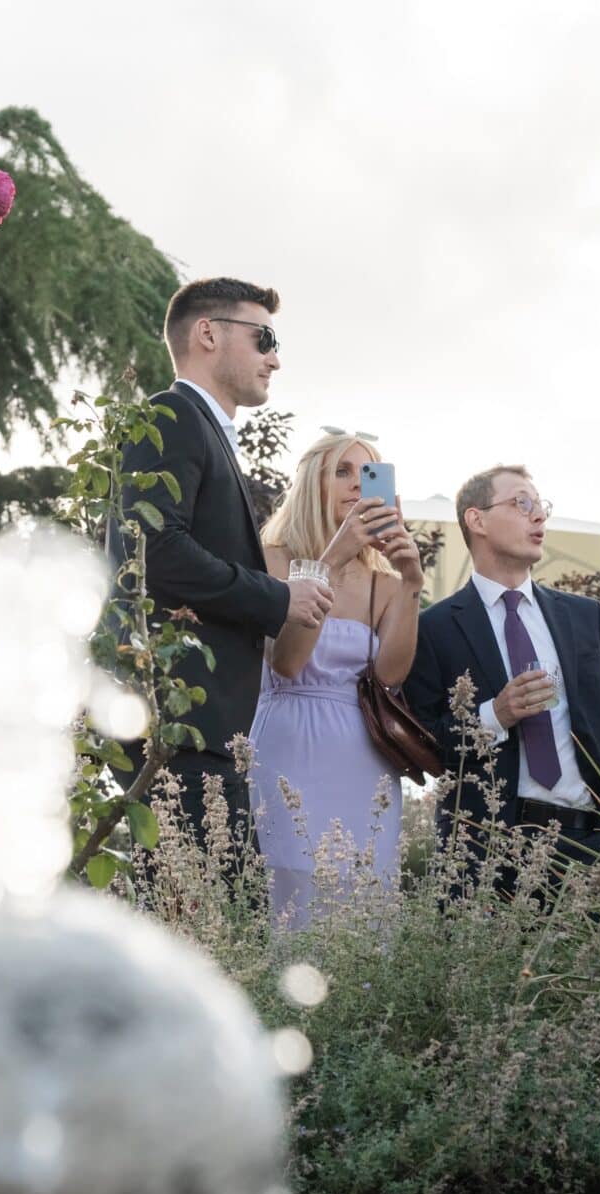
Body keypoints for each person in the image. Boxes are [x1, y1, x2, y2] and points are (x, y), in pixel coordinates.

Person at [114, 277, 333, 834]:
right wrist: (277, 597)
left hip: (203, 733)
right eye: (264, 339)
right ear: (208, 334)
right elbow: (155, 550)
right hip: (176, 729)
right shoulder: (172, 415)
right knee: (200, 891)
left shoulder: (203, 428)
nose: (275, 359)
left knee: (220, 891)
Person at [404, 464, 600, 864]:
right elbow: (425, 746)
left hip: (590, 848)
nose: (539, 516)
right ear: (477, 519)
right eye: (522, 503)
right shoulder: (433, 628)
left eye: (540, 506)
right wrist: (494, 716)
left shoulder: (586, 617)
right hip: (483, 852)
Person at [248, 432, 424, 928]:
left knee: (364, 889)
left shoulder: (385, 584)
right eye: (342, 471)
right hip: (287, 744)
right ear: (312, 484)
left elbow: (390, 675)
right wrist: (331, 559)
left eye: (367, 473)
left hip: (364, 757)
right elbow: (287, 661)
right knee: (291, 886)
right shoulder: (270, 559)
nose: (356, 484)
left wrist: (412, 582)